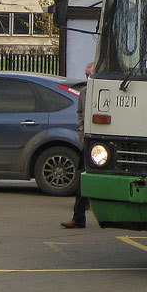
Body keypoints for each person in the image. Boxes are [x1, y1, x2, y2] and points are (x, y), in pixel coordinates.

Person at [61, 62, 93, 229]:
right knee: (81, 176)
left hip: (101, 142)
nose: (88, 78)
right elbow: (80, 113)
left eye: (91, 74)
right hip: (88, 141)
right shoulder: (85, 92)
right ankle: (79, 216)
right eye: (86, 75)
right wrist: (81, 132)